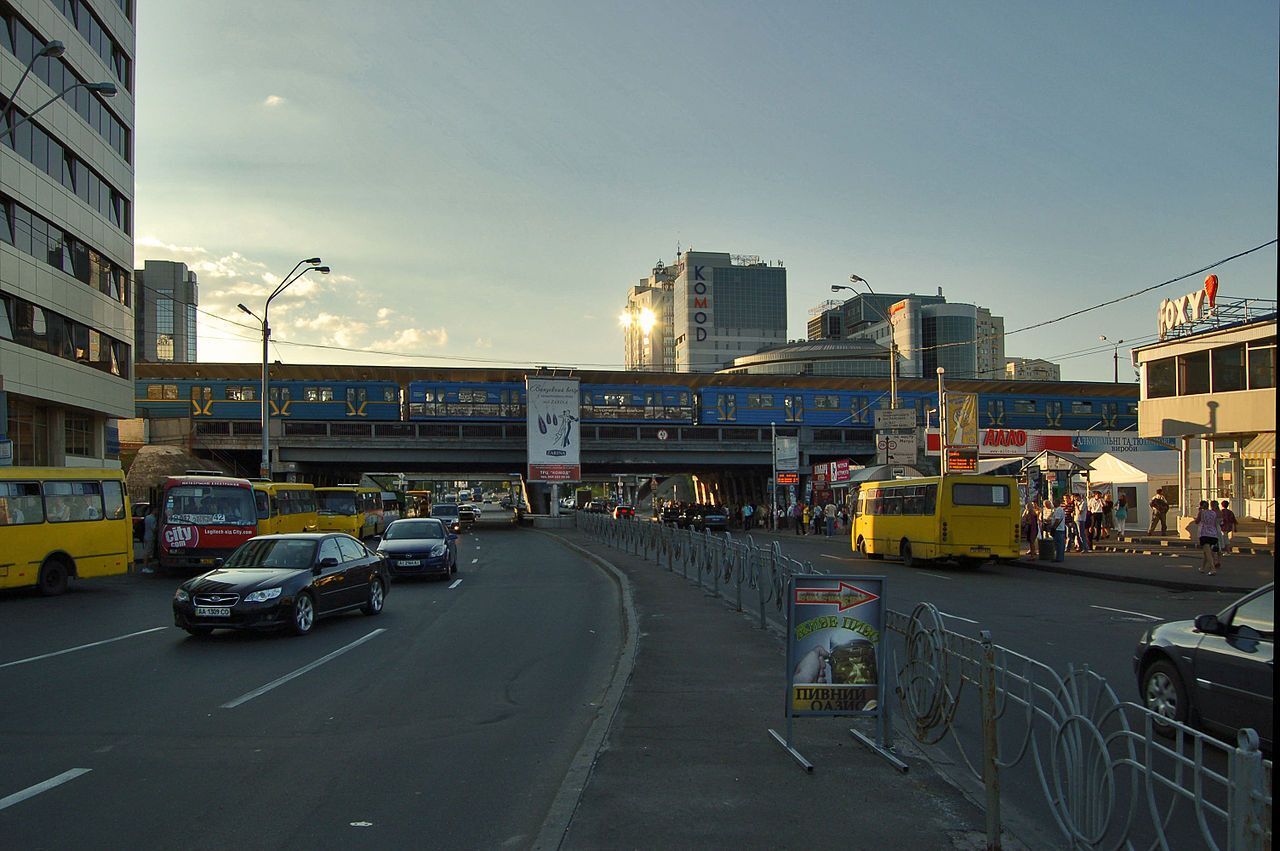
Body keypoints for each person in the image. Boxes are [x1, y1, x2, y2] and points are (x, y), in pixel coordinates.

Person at [1194, 500, 1222, 575]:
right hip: (1213, 534)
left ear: (1201, 506)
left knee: (1208, 552)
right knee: (1206, 552)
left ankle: (1213, 569)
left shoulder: (1201, 512)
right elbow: (1217, 522)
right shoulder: (1213, 513)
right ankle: (1202, 567)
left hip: (1204, 534)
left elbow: (1197, 521)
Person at [140, 503, 159, 574]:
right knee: (147, 553)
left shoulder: (147, 517)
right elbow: (154, 529)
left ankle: (146, 566)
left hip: (146, 536)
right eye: (157, 510)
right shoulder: (152, 518)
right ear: (154, 510)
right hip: (150, 537)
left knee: (147, 552)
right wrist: (159, 528)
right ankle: (145, 567)